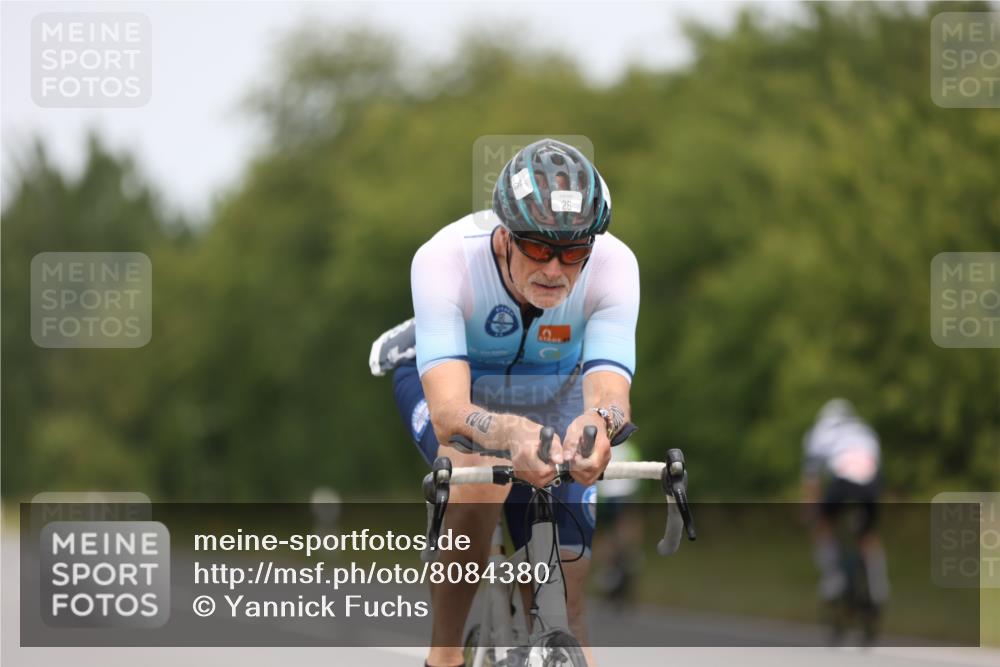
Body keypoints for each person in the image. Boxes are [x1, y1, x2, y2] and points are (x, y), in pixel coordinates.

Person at [371, 138, 639, 667]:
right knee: (480, 475)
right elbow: (450, 412)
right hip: (458, 382)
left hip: (555, 389)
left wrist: (599, 427)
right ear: (504, 235)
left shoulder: (615, 265)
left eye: (573, 252)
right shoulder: (445, 259)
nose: (556, 270)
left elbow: (610, 395)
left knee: (566, 596)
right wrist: (511, 435)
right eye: (538, 248)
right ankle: (443, 654)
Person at [802, 398, 890, 644]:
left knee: (822, 524)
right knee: (867, 534)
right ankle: (878, 582)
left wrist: (811, 511)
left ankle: (833, 577)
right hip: (869, 487)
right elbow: (876, 471)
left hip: (841, 484)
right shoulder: (865, 430)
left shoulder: (817, 433)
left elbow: (812, 481)